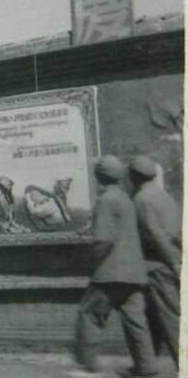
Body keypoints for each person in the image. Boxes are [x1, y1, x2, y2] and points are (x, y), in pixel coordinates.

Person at [74, 155, 158, 377]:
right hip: (135, 272)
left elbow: (104, 240)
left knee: (89, 315)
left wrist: (92, 263)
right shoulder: (126, 198)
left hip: (111, 273)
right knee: (136, 321)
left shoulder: (106, 199)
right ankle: (147, 367)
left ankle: (89, 366)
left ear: (99, 176)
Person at [128, 155, 181, 370]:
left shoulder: (141, 199)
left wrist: (173, 262)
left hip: (159, 265)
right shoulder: (163, 196)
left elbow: (154, 233)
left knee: (169, 318)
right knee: (154, 316)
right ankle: (145, 364)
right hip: (170, 260)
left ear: (134, 177)